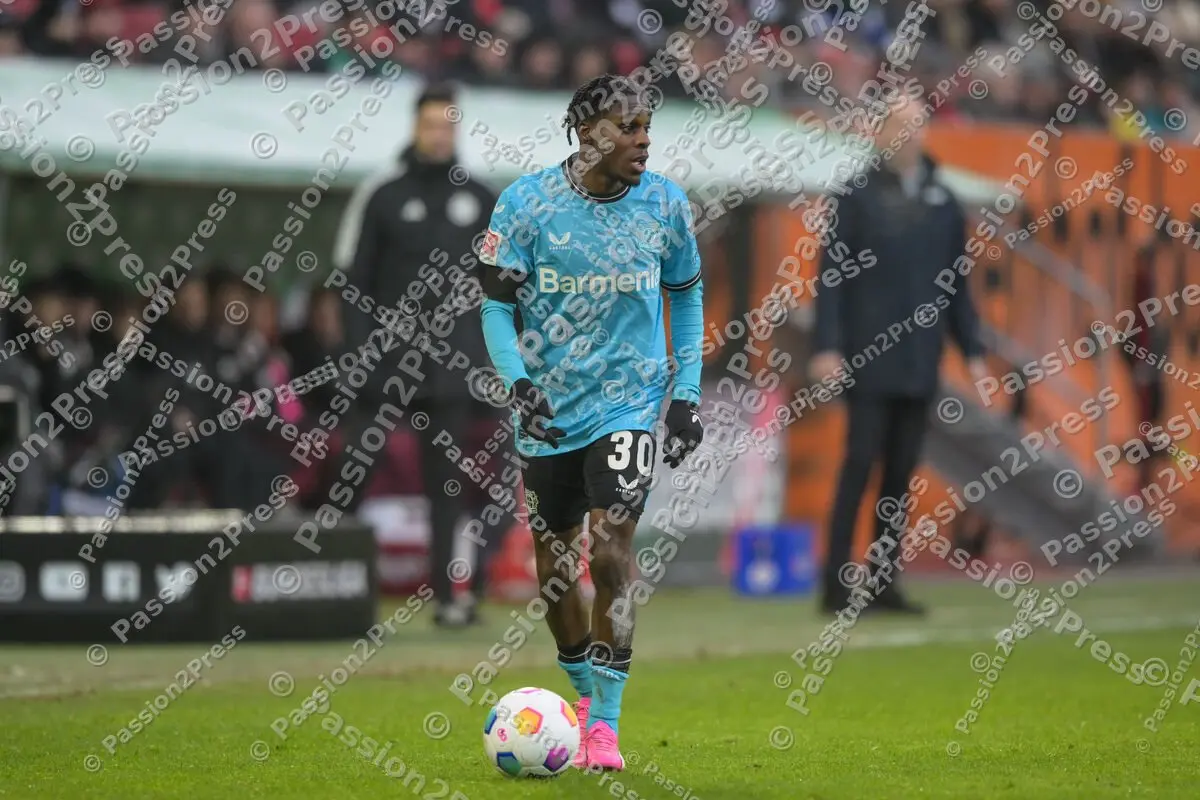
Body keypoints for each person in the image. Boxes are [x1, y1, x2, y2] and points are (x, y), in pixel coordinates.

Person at [478, 74, 705, 771]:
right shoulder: (525, 204)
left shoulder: (665, 204)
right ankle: (581, 693)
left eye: (647, 128)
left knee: (610, 553)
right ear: (587, 133)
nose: (643, 140)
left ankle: (604, 724)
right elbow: (495, 307)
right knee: (554, 572)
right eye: (628, 128)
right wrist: (519, 384)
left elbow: (686, 294)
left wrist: (685, 395)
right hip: (549, 410)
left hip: (628, 404)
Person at [333, 83, 506, 628]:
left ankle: (450, 597)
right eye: (431, 125)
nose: (439, 135)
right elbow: (352, 282)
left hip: (453, 368)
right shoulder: (383, 194)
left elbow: (504, 285)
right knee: (353, 470)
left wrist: (492, 357)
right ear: (415, 127)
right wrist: (361, 354)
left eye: (447, 126)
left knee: (448, 485)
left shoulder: (481, 198)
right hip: (387, 363)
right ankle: (325, 584)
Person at [811, 87, 986, 617]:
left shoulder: (942, 200)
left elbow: (956, 285)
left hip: (919, 359)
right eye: (900, 125)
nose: (910, 136)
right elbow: (832, 277)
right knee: (859, 465)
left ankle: (884, 582)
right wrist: (827, 346)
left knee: (899, 476)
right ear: (881, 133)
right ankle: (835, 584)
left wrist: (973, 353)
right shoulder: (856, 196)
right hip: (867, 357)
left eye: (917, 125)